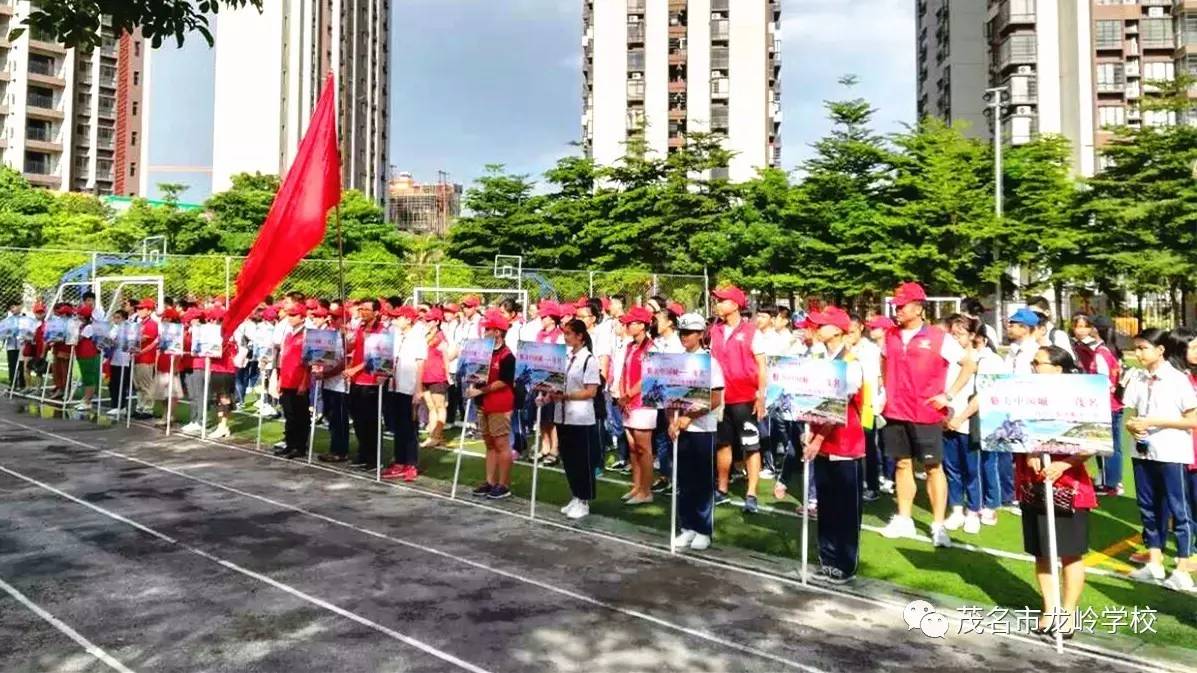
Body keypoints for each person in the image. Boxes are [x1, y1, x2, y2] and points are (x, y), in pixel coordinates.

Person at [879, 282, 974, 547]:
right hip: (896, 410)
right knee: (901, 464)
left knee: (933, 468)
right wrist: (886, 390)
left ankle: (938, 524)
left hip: (926, 412)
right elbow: (884, 362)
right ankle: (904, 518)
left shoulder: (938, 337)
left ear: (919, 308)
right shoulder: (890, 336)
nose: (897, 310)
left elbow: (968, 365)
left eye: (902, 305)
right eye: (896, 305)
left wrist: (949, 395)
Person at [1020, 345, 1097, 636]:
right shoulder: (1025, 396)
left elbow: (1093, 441)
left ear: (1058, 368)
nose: (1034, 367)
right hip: (1034, 483)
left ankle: (1068, 613)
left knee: (1070, 553)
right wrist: (1028, 451)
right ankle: (1049, 609)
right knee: (1042, 551)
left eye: (1038, 363)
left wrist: (1064, 464)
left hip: (1070, 486)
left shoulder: (1081, 398)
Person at [1123, 328, 1197, 591]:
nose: (1138, 353)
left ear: (1160, 350)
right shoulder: (1138, 378)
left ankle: (1182, 566)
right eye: (1137, 348)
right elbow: (1130, 413)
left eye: (1143, 348)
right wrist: (1133, 426)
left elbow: (1193, 419)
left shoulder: (1178, 380)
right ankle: (1154, 561)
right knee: (1148, 506)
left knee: (1179, 509)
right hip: (1142, 451)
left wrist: (1154, 422)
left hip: (1172, 452)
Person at [803, 307, 865, 584]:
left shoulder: (851, 363)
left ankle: (845, 562)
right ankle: (826, 557)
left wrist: (817, 438)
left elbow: (836, 406)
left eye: (823, 325)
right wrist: (808, 429)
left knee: (845, 508)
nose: (817, 328)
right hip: (822, 444)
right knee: (826, 504)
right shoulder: (818, 360)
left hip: (845, 444)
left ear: (838, 330)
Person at [709, 286, 768, 513]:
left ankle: (751, 493)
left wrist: (760, 395)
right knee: (723, 444)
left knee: (750, 446)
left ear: (735, 304)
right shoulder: (714, 330)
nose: (718, 304)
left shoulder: (753, 332)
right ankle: (722, 489)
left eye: (722, 300)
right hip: (722, 398)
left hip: (745, 398)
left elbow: (762, 365)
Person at [670, 312, 725, 552]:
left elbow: (714, 399)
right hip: (680, 428)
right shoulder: (675, 361)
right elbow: (668, 395)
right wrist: (671, 421)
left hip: (702, 428)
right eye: (682, 332)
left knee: (702, 480)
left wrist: (688, 417)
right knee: (684, 480)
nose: (685, 337)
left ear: (701, 334)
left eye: (690, 333)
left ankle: (703, 529)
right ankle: (687, 526)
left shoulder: (710, 362)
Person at [552, 318, 603, 520]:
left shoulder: (589, 360)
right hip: (562, 415)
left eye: (569, 334)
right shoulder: (564, 357)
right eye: (564, 334)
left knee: (583, 461)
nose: (565, 337)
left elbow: (591, 391)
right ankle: (575, 495)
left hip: (581, 417)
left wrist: (567, 396)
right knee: (569, 459)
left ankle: (584, 499)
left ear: (580, 336)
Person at [939, 314, 983, 535]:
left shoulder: (982, 359)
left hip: (968, 422)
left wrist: (961, 417)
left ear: (973, 336)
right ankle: (956, 509)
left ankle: (974, 510)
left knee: (971, 470)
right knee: (952, 469)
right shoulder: (946, 358)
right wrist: (946, 417)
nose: (955, 338)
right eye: (952, 334)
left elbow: (982, 395)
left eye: (961, 334)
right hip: (947, 421)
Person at [1071, 313, 1124, 497]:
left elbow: (1105, 381)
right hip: (1113, 404)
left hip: (1107, 404)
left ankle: (1111, 482)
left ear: (1095, 330)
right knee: (1110, 445)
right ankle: (1110, 481)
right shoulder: (1109, 350)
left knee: (1107, 446)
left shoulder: (1101, 353)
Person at [469, 311, 517, 499]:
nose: (485, 332)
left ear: (498, 332)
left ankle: (503, 484)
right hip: (482, 402)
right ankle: (490, 481)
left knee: (501, 443)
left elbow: (505, 381)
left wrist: (481, 390)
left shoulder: (507, 355)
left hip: (499, 403)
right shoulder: (481, 351)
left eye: (488, 329)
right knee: (489, 443)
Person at [615, 306, 657, 504]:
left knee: (643, 448)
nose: (627, 326)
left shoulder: (652, 348)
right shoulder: (630, 346)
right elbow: (624, 371)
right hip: (628, 402)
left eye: (631, 323)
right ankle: (637, 486)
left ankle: (646, 491)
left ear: (642, 325)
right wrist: (622, 393)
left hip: (644, 404)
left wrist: (629, 394)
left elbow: (648, 377)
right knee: (632, 447)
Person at [382, 306, 426, 482]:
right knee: (398, 426)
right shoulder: (397, 336)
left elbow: (420, 363)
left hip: (409, 387)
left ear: (408, 319)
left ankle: (411, 463)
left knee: (409, 428)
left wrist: (418, 389)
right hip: (395, 385)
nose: (395, 320)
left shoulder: (418, 337)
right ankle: (399, 461)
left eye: (398, 317)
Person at [343, 299, 386, 470]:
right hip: (356, 380)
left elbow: (376, 356)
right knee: (358, 419)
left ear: (376, 312)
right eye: (361, 309)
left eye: (367, 309)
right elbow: (354, 349)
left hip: (371, 381)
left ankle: (374, 458)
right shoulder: (360, 328)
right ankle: (363, 452)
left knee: (371, 421)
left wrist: (356, 369)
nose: (363, 312)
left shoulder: (381, 330)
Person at [204, 306, 237, 439]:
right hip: (216, 369)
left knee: (224, 399)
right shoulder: (215, 333)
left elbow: (219, 352)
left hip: (225, 370)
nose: (211, 322)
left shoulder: (226, 334)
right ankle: (221, 425)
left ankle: (223, 426)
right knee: (218, 399)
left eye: (214, 319)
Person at [421, 308, 450, 449]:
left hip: (437, 375)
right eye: (425, 319)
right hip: (425, 374)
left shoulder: (439, 335)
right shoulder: (426, 333)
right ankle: (432, 434)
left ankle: (437, 435)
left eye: (429, 320)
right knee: (431, 406)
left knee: (439, 406)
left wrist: (448, 374)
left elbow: (427, 344)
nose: (426, 322)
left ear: (437, 321)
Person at [151, 307, 184, 426]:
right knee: (162, 394)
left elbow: (179, 351)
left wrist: (175, 366)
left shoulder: (178, 332)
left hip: (172, 364)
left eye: (166, 318)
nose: (164, 320)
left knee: (171, 393)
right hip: (162, 363)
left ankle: (169, 416)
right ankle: (166, 414)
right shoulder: (163, 332)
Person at [131, 298, 159, 419]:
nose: (139, 310)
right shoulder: (139, 323)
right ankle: (140, 406)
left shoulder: (151, 324)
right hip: (137, 357)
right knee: (138, 384)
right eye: (138, 308)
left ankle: (148, 408)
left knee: (146, 384)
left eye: (142, 308)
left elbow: (145, 338)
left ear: (149, 310)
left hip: (145, 358)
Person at [73, 306, 101, 411]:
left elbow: (79, 338)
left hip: (88, 354)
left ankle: (88, 400)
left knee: (89, 377)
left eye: (79, 315)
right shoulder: (83, 326)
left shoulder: (89, 327)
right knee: (85, 377)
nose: (77, 317)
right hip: (81, 353)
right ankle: (85, 398)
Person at [106, 309, 131, 416]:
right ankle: (115, 404)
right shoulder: (114, 328)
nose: (116, 320)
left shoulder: (128, 329)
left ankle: (121, 406)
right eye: (115, 317)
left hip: (124, 360)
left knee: (121, 383)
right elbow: (108, 340)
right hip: (115, 359)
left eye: (118, 318)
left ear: (124, 318)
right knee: (113, 384)